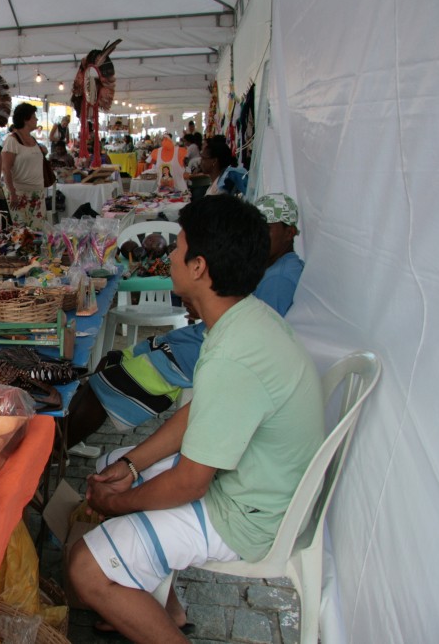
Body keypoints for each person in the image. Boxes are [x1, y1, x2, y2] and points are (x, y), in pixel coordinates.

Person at [68, 195, 324, 642]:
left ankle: (137, 603)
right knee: (122, 463)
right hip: (261, 483)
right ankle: (163, 609)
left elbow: (191, 483)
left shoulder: (232, 354)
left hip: (250, 514)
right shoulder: (246, 318)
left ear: (200, 267)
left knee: (83, 571)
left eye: (178, 247)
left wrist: (117, 504)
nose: (169, 255)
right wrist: (130, 468)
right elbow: (199, 413)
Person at [81, 193, 305, 435]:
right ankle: (59, 445)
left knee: (103, 383)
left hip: (197, 351)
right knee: (110, 361)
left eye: (267, 228)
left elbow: (253, 332)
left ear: (290, 232)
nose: (174, 256)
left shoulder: (281, 277)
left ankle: (55, 450)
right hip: (196, 340)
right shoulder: (269, 267)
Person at [0, 102, 47, 229]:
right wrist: (13, 193)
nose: (36, 119)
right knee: (21, 233)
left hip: (37, 194)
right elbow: (6, 169)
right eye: (34, 117)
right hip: (20, 195)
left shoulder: (33, 139)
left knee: (38, 231)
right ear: (26, 119)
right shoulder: (12, 141)